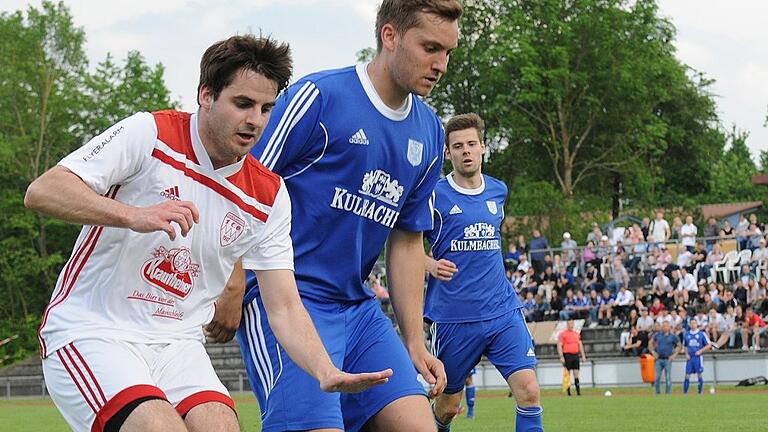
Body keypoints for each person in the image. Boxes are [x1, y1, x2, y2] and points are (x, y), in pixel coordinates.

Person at [24, 36, 390, 432]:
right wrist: (134, 215)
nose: (256, 120)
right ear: (206, 95)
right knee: (157, 426)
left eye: (267, 108)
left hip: (179, 343)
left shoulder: (268, 195)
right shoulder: (151, 135)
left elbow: (283, 306)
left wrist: (324, 369)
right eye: (243, 104)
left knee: (221, 425)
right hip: (93, 331)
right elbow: (43, 190)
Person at [206, 3, 466, 431]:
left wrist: (415, 340)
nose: (440, 64)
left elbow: (406, 240)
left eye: (448, 52)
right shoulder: (319, 98)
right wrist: (233, 277)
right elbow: (243, 182)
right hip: (285, 301)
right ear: (390, 36)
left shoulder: (431, 133)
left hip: (358, 308)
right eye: (430, 47)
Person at [424, 113, 542, 432]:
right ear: (447, 152)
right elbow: (399, 246)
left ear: (483, 148)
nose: (466, 150)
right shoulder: (432, 195)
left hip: (502, 310)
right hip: (454, 318)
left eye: (472, 144)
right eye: (458, 145)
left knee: (529, 391)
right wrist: (429, 264)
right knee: (448, 408)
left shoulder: (497, 191)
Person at [650, 321, 681, 395]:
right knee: (657, 377)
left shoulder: (673, 336)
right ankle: (658, 393)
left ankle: (668, 393)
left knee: (668, 377)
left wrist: (674, 355)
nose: (665, 327)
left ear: (669, 327)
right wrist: (653, 352)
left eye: (666, 326)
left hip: (668, 359)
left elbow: (679, 345)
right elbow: (650, 343)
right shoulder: (657, 335)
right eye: (663, 326)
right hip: (659, 359)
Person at [557, 320, 587, 396]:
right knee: (568, 374)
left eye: (572, 324)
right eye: (569, 324)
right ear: (567, 325)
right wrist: (561, 356)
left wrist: (583, 355)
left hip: (575, 355)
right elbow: (559, 345)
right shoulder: (563, 334)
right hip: (567, 355)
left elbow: (580, 345)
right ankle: (569, 392)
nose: (571, 325)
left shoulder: (576, 334)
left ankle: (578, 392)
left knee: (576, 373)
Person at [682, 319, 711, 394]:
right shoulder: (687, 334)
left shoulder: (701, 334)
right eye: (691, 323)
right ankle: (685, 392)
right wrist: (686, 354)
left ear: (697, 324)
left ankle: (700, 392)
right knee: (687, 375)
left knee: (699, 374)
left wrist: (700, 351)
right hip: (690, 357)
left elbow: (708, 345)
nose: (693, 325)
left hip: (698, 357)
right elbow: (685, 346)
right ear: (689, 325)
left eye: (694, 323)